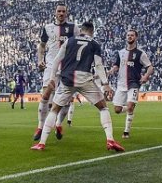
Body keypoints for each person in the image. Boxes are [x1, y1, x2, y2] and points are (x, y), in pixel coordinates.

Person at [31, 21, 124, 152]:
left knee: (54, 110)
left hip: (67, 79)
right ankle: (110, 140)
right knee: (103, 108)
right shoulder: (94, 44)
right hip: (84, 79)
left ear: (81, 30)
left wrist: (52, 78)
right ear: (91, 31)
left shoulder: (69, 41)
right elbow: (98, 65)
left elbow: (57, 60)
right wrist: (106, 84)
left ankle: (41, 143)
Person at [33, 3, 80, 141]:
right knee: (46, 94)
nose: (61, 13)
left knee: (66, 100)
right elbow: (41, 46)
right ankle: (40, 127)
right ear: (55, 13)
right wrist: (40, 60)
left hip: (68, 67)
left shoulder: (73, 28)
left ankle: (58, 124)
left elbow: (80, 45)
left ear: (67, 13)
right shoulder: (48, 28)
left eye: (63, 11)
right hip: (50, 66)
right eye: (59, 11)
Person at [109, 29, 154, 139]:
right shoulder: (120, 52)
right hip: (121, 84)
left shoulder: (140, 53)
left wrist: (145, 76)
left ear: (136, 37)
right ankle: (130, 108)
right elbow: (116, 65)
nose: (129, 37)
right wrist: (112, 70)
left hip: (134, 83)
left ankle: (126, 132)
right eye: (128, 35)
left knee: (129, 106)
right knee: (117, 110)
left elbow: (150, 67)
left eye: (132, 35)